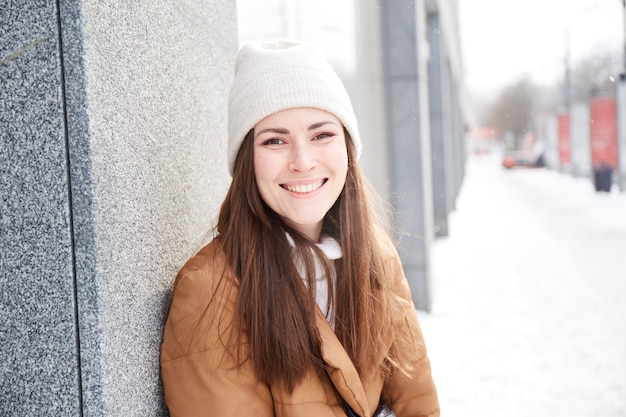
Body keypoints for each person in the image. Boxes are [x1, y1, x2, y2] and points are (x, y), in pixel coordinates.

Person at [160, 40, 439, 417]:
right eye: (275, 141)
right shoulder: (211, 288)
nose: (303, 162)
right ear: (247, 162)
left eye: (322, 135)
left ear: (347, 149)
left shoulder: (376, 259)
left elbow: (418, 404)